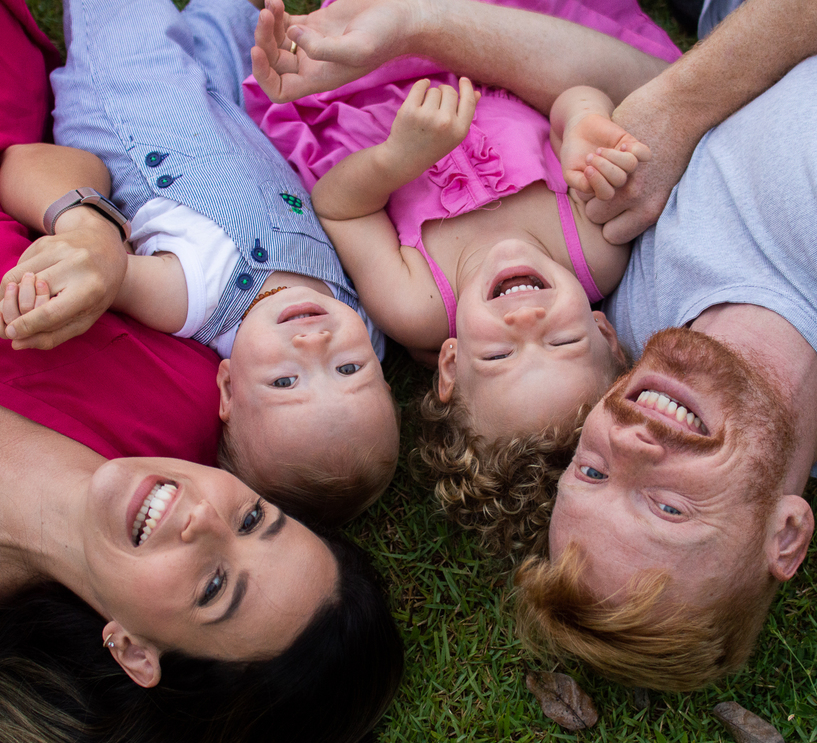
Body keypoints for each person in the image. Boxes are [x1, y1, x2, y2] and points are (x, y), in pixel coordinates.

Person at [252, 0, 817, 690]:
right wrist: (680, 103)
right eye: (668, 507)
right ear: (785, 534)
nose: (634, 438)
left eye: (594, 473)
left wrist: (417, 26)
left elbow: (633, 98)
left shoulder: (633, 328)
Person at [0, 1, 402, 743]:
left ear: (133, 650)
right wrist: (89, 232)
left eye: (214, 586)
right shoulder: (177, 393)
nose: (204, 517)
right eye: (253, 517)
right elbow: (52, 162)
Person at [247, 0, 677, 554]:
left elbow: (338, 208)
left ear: (450, 363)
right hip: (497, 49)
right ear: (605, 333)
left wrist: (398, 158)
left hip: (370, 101)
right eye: (563, 340)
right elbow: (570, 90)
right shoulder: (596, 247)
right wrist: (584, 123)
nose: (526, 320)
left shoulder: (416, 303)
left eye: (499, 357)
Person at [0, 0, 401, 526]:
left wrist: (64, 277)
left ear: (228, 386)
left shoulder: (195, 302)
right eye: (348, 369)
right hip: (232, 110)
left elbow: (109, 274)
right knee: (238, 23)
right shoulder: (364, 320)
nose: (314, 345)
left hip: (131, 103)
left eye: (284, 382)